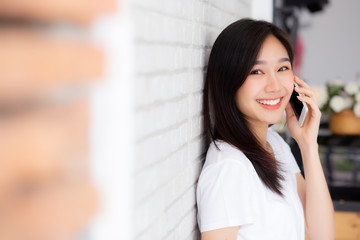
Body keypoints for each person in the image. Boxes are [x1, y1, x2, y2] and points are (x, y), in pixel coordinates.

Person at [196, 18, 334, 240]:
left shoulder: (274, 145)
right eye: (257, 72)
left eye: (282, 68)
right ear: (229, 81)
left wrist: (308, 146)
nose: (275, 86)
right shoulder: (229, 168)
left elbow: (321, 234)